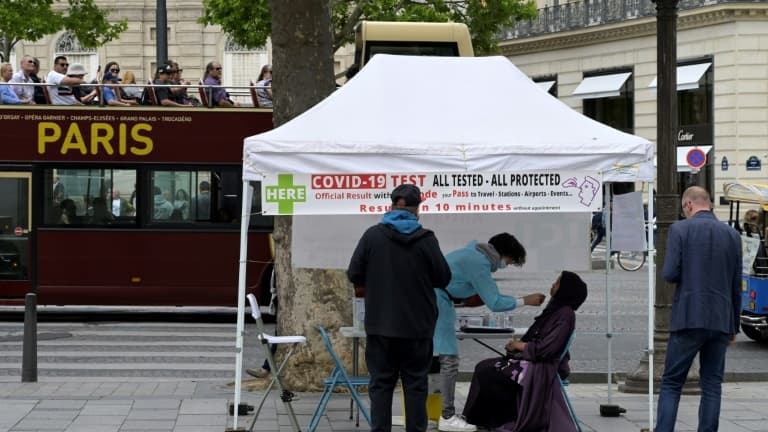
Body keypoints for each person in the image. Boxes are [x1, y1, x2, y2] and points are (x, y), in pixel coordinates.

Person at [347, 184, 452, 432]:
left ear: (392, 205)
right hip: (418, 328)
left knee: (381, 385)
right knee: (415, 386)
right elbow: (443, 277)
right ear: (418, 209)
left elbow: (354, 273)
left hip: (380, 325)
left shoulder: (373, 235)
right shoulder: (427, 239)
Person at [433, 233, 546, 432]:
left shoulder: (471, 253)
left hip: (437, 300)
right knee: (448, 360)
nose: (507, 265)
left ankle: (433, 412)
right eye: (510, 261)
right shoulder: (480, 263)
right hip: (436, 301)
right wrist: (524, 300)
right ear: (504, 254)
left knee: (433, 359)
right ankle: (447, 416)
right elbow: (494, 302)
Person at [655, 186, 742, 432]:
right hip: (721, 320)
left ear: (689, 205)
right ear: (710, 204)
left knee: (672, 382)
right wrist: (733, 324)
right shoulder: (732, 235)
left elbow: (670, 273)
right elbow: (737, 285)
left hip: (688, 318)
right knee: (712, 384)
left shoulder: (679, 229)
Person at [462, 271, 587, 432]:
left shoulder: (565, 314)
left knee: (489, 372)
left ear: (566, 290)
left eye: (557, 283)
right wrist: (518, 346)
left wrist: (520, 346)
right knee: (483, 366)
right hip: (533, 361)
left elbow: (547, 349)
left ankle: (498, 420)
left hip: (541, 368)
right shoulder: (556, 310)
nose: (553, 285)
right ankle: (480, 420)